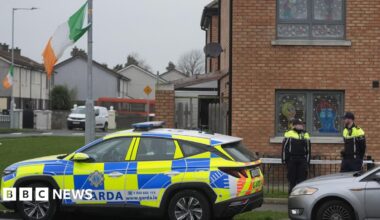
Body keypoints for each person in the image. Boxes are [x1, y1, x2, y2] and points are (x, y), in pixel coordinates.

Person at [282, 118, 311, 194]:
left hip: (302, 159)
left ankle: (300, 196)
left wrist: (307, 161)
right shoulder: (288, 133)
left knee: (302, 180)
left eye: (302, 124)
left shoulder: (305, 134)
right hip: (292, 159)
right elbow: (284, 148)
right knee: (292, 179)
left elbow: (308, 148)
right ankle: (291, 196)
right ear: (295, 125)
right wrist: (285, 160)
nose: (302, 126)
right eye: (300, 124)